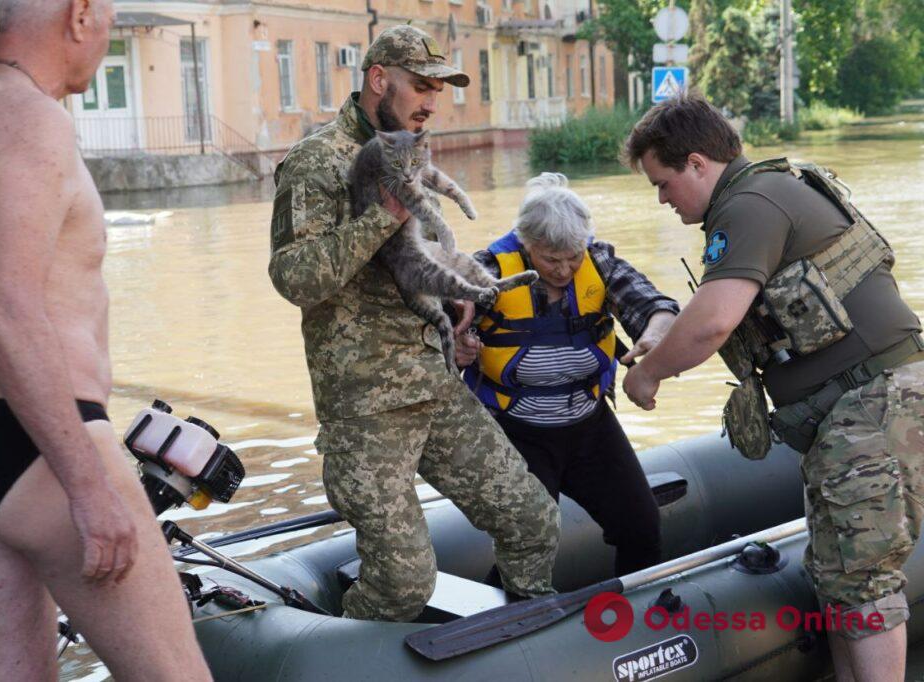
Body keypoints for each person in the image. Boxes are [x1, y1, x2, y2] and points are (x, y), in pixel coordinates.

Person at [0, 1, 211, 679]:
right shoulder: (36, 124)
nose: (104, 36)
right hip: (45, 445)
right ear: (79, 15)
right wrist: (89, 488)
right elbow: (5, 315)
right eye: (106, 18)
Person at [620, 94, 923, 682]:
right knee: (839, 578)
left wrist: (649, 373)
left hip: (872, 405)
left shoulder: (750, 205)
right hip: (855, 410)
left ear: (698, 164)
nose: (661, 199)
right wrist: (662, 344)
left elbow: (713, 320)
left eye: (662, 182)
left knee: (863, 582)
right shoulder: (764, 194)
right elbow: (726, 311)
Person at [267, 24, 560, 622]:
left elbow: (414, 262)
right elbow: (295, 278)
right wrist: (384, 215)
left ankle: (525, 643)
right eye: (420, 87)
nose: (431, 103)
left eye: (438, 90)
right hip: (367, 409)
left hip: (435, 385)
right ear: (379, 79)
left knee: (533, 520)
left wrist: (455, 306)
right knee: (403, 581)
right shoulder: (316, 162)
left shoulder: (408, 150)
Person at [455, 173, 677, 577]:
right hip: (516, 432)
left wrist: (652, 338)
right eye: (550, 259)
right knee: (531, 541)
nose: (563, 269)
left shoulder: (599, 260)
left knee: (642, 526)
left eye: (572, 256)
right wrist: (456, 346)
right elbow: (434, 330)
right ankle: (507, 623)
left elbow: (657, 306)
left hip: (590, 427)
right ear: (525, 243)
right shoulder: (486, 271)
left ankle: (637, 618)